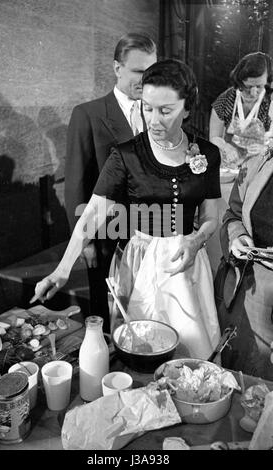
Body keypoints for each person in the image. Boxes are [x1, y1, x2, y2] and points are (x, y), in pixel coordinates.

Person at [32, 59, 221, 360]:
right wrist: (63, 269)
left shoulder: (208, 154)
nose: (154, 120)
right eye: (147, 108)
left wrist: (197, 240)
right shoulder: (126, 155)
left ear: (187, 109)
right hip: (140, 261)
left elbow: (211, 217)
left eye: (165, 110)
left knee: (192, 352)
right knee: (142, 348)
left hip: (188, 267)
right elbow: (92, 214)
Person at [65, 33, 157, 331]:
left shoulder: (158, 112)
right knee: (105, 312)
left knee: (145, 306)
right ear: (117, 68)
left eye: (151, 70)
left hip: (151, 232)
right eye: (138, 71)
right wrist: (86, 243)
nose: (146, 78)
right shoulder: (88, 114)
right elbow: (77, 183)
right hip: (106, 234)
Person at [215, 150, 273, 381]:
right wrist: (237, 235)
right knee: (241, 372)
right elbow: (234, 214)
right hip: (252, 285)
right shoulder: (257, 164)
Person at [209, 52, 273, 170]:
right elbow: (214, 137)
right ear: (239, 81)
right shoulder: (225, 100)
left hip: (259, 168)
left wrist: (266, 147)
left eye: (259, 86)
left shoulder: (270, 102)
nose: (253, 93)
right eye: (248, 87)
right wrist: (226, 147)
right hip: (230, 166)